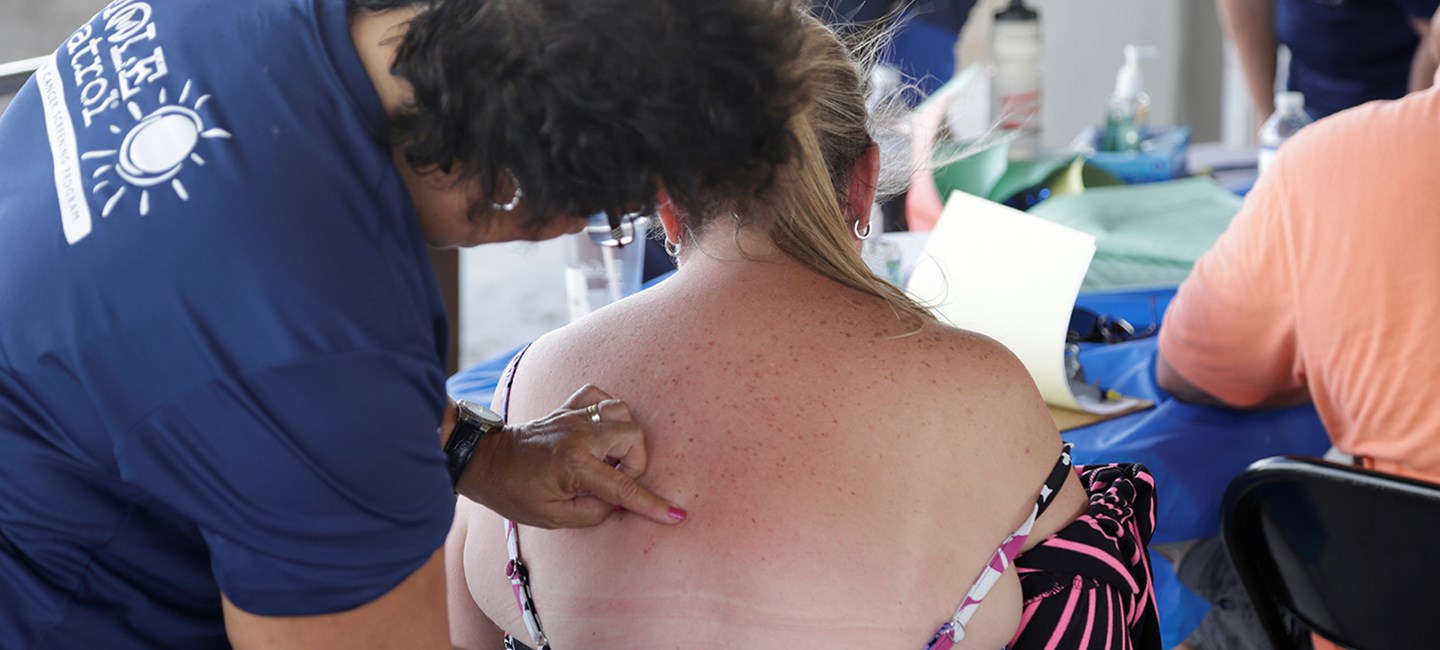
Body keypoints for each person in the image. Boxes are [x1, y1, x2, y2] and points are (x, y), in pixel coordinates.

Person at [0, 0, 811, 647]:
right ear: (538, 201)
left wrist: (476, 449)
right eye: (621, 211)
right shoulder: (318, 342)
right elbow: (293, 370)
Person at [447, 7, 1161, 650]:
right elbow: (1094, 606)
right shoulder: (982, 390)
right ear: (864, 183)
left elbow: (448, 622)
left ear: (666, 202)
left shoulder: (523, 401)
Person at [1156, 56, 1440, 650]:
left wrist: (1331, 359)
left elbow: (1188, 372)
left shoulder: (1332, 162)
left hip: (1387, 619)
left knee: (1166, 549)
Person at [1218, 0, 1440, 122]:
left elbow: (1432, 38)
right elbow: (1246, 9)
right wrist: (1267, 118)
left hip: (1394, 106)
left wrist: (1411, 130)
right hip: (1306, 110)